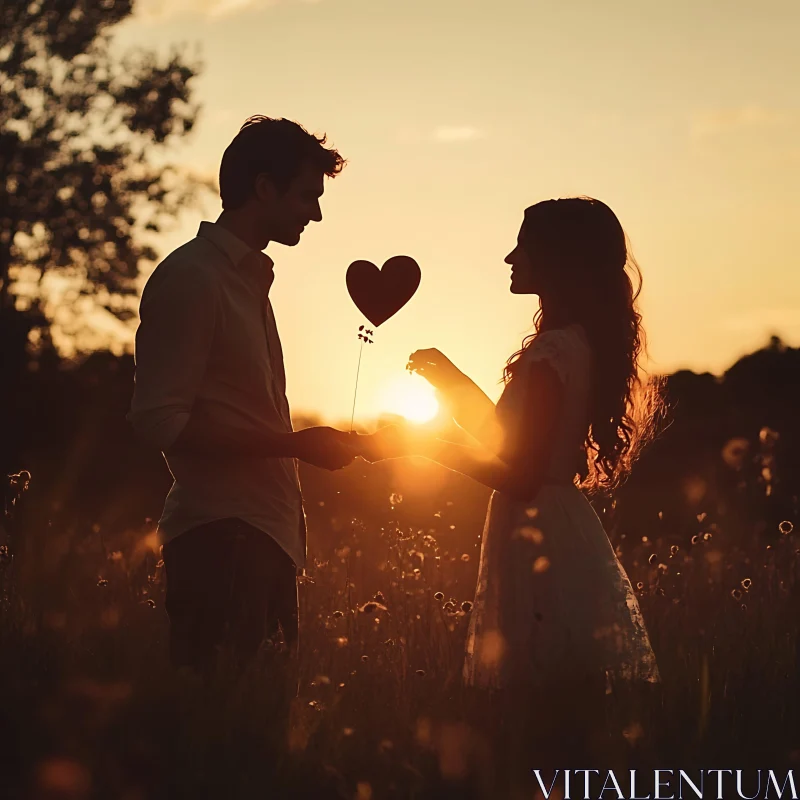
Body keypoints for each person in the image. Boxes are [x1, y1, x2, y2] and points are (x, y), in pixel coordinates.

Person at [357, 197, 661, 776]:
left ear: (559, 258)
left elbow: (517, 473)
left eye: (523, 244)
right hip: (550, 526)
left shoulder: (555, 351)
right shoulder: (574, 344)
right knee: (551, 711)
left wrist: (415, 446)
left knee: (541, 714)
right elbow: (509, 439)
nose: (509, 257)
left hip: (537, 536)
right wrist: (450, 381)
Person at [128, 116, 357, 694]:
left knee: (256, 739)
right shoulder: (193, 278)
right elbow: (161, 422)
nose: (316, 213)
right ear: (263, 188)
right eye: (307, 195)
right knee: (211, 743)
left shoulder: (249, 282)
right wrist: (293, 445)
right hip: (219, 541)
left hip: (268, 538)